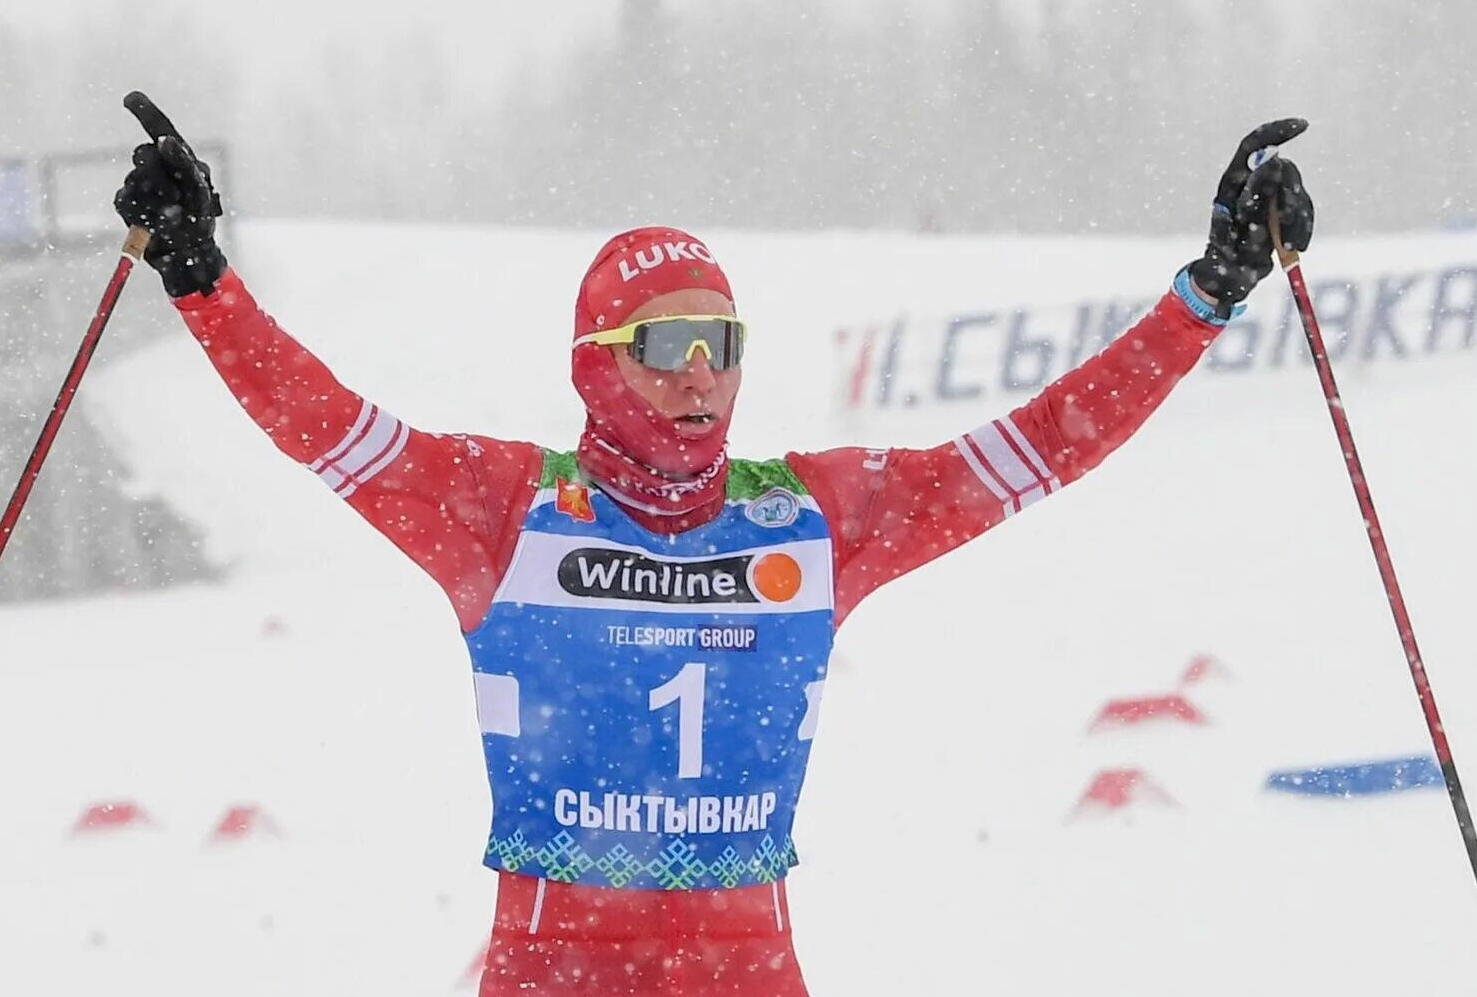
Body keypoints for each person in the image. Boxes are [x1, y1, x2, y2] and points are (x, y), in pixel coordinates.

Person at [113, 107, 1314, 997]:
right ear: (597, 362)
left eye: (722, 342)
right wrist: (199, 279)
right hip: (552, 965)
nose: (701, 371)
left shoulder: (809, 517)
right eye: (667, 341)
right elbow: (321, 423)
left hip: (749, 967)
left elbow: (1044, 446)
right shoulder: (507, 508)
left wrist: (1206, 294)